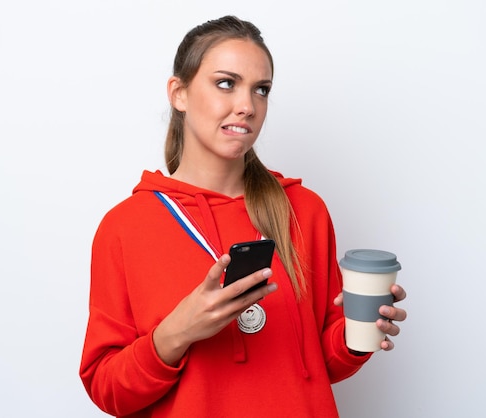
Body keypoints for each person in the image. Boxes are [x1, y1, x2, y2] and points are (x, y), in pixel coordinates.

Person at [79, 15, 407, 418]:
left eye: (261, 89)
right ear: (178, 93)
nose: (247, 106)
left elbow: (320, 364)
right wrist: (176, 332)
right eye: (225, 83)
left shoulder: (305, 210)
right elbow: (107, 389)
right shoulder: (125, 227)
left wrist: (360, 335)